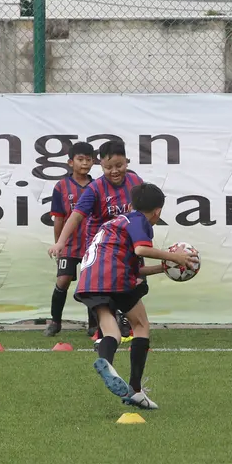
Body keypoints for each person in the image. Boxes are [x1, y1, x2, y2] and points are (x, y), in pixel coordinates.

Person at [73, 183, 197, 409]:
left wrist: (163, 267)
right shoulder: (139, 221)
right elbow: (141, 250)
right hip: (113, 274)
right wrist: (178, 258)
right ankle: (136, 390)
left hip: (90, 275)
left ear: (130, 205)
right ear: (158, 212)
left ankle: (107, 363)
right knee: (140, 325)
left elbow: (134, 268)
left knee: (110, 329)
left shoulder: (115, 223)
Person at [48, 141, 144, 339]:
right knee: (106, 288)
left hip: (127, 243)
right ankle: (103, 327)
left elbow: (145, 210)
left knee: (138, 283)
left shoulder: (136, 183)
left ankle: (124, 322)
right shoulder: (95, 188)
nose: (114, 171)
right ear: (101, 165)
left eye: (119, 166)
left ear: (127, 161)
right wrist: (60, 242)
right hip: (102, 247)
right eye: (108, 167)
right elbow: (74, 216)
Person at [45, 141, 96, 337]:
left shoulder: (98, 185)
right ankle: (55, 322)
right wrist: (59, 243)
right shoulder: (61, 187)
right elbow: (59, 218)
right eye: (80, 159)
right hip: (69, 244)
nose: (84, 163)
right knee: (63, 280)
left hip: (92, 245)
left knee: (91, 284)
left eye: (88, 160)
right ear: (70, 162)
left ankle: (93, 325)